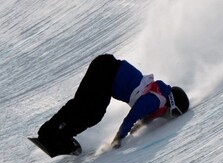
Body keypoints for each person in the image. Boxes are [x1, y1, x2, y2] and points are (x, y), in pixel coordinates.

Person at [36, 54, 190, 157]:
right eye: (173, 114)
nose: (168, 118)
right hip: (105, 71)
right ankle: (52, 134)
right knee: (89, 110)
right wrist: (118, 139)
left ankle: (55, 133)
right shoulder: (156, 100)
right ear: (172, 104)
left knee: (88, 108)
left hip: (105, 69)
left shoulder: (158, 98)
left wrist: (137, 128)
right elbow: (133, 115)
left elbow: (143, 119)